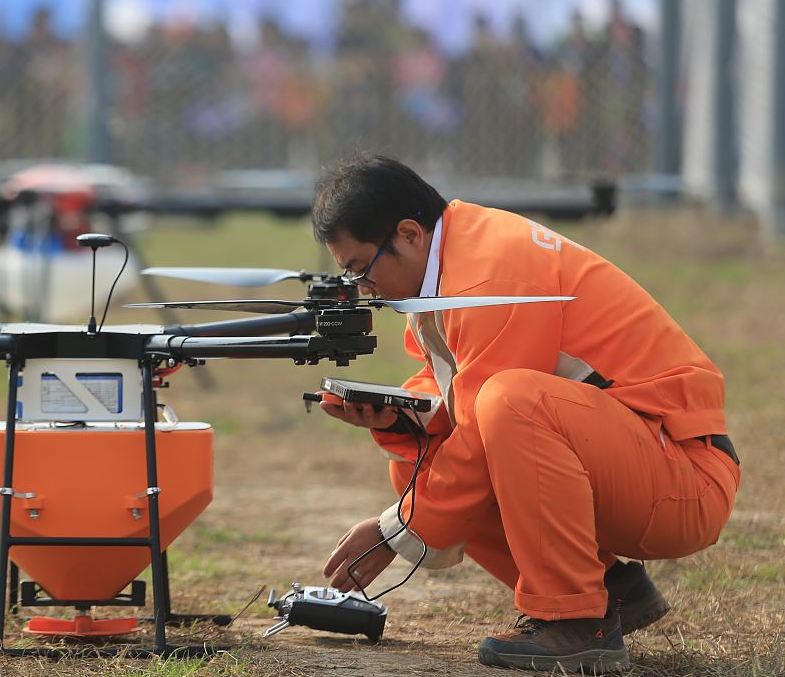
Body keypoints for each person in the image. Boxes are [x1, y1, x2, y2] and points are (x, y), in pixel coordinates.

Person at [312, 155, 738, 673]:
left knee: (511, 402)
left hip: (684, 478)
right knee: (419, 464)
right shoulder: (457, 259)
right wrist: (401, 417)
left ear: (409, 234)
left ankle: (576, 620)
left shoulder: (488, 274)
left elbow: (492, 409)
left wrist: (392, 531)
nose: (363, 289)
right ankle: (608, 590)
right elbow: (459, 395)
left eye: (361, 269)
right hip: (639, 461)